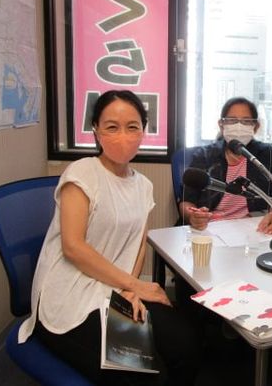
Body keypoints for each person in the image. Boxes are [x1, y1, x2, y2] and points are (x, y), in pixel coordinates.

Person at [18, 90, 200, 386]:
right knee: (148, 375)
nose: (123, 136)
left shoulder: (143, 185)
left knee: (185, 343)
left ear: (143, 131)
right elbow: (73, 248)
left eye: (132, 127)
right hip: (68, 296)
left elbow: (137, 244)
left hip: (116, 286)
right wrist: (135, 285)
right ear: (96, 131)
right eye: (112, 127)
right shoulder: (82, 173)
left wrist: (130, 289)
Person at [179, 96, 272, 235]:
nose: (239, 126)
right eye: (232, 120)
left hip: (253, 228)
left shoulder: (266, 154)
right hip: (211, 228)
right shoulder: (204, 156)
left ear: (255, 126)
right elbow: (186, 201)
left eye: (246, 121)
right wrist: (193, 216)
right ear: (221, 125)